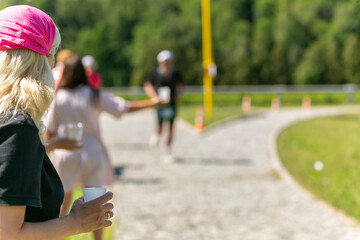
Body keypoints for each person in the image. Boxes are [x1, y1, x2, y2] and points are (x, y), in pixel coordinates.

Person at [0, 5, 114, 240]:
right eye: (52, 52)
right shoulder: (17, 125)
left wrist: (48, 146)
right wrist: (75, 222)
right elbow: (7, 234)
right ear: (42, 61)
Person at [44, 54, 163, 240]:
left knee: (63, 202)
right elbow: (122, 107)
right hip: (92, 152)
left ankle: (58, 237)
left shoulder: (59, 97)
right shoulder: (93, 95)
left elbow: (49, 131)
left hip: (66, 151)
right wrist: (152, 103)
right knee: (96, 203)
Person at [144, 50, 184, 163]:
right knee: (160, 127)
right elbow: (148, 85)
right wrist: (154, 96)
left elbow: (181, 86)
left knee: (171, 128)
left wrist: (179, 94)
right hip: (160, 104)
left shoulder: (175, 73)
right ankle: (156, 135)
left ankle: (167, 150)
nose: (166, 64)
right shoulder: (155, 73)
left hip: (171, 104)